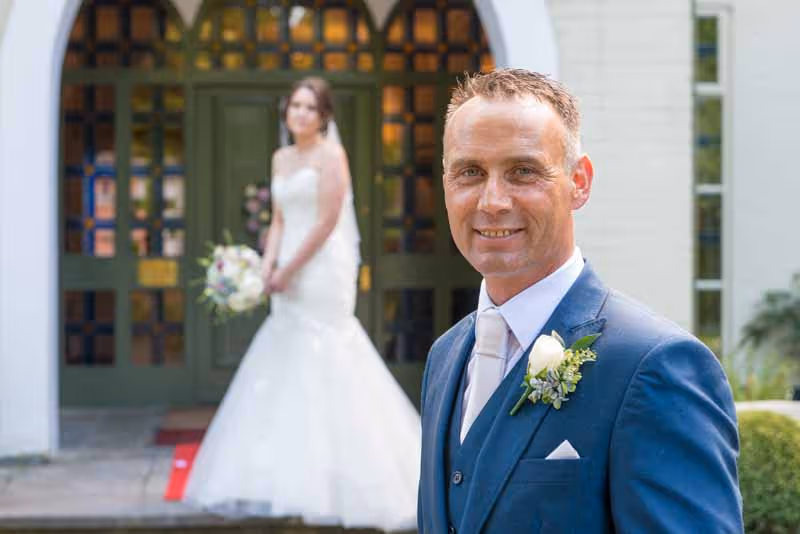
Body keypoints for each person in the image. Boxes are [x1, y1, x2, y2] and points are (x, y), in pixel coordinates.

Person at [417, 69, 743, 533]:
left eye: (522, 172)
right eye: (470, 172)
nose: (491, 201)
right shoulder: (445, 357)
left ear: (580, 182)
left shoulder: (655, 366)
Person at [184, 77, 420, 532]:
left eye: (311, 108)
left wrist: (291, 269)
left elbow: (329, 220)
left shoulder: (332, 156)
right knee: (285, 352)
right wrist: (266, 264)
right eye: (295, 106)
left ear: (324, 116)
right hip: (286, 264)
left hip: (321, 268)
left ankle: (348, 473)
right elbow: (278, 219)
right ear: (286, 112)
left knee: (328, 352)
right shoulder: (281, 158)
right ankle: (286, 471)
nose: (301, 114)